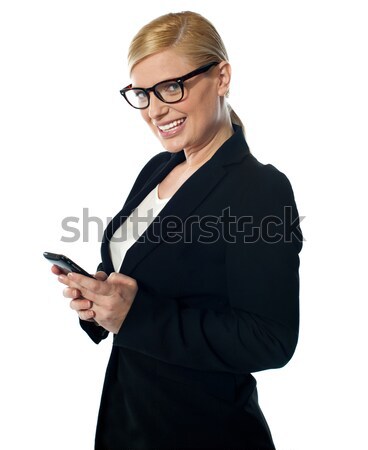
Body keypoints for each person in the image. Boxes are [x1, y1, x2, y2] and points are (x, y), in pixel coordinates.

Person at [53, 11, 303, 449]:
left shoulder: (259, 189)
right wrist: (98, 297)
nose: (155, 110)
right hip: (127, 420)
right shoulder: (157, 168)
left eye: (172, 87)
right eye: (142, 94)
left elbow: (270, 339)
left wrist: (134, 316)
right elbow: (142, 271)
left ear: (222, 77)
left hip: (204, 431)